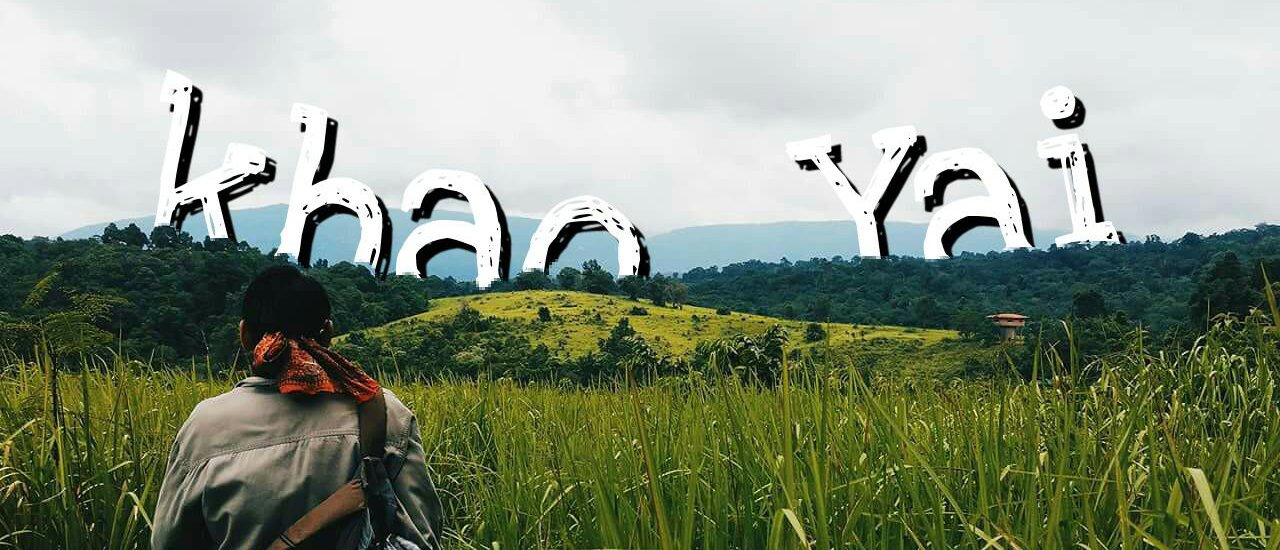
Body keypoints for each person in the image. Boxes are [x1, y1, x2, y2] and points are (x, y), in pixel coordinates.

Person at [152, 265, 443, 549]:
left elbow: (168, 541)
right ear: (327, 334)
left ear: (244, 335)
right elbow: (421, 536)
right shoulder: (383, 413)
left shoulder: (206, 428)